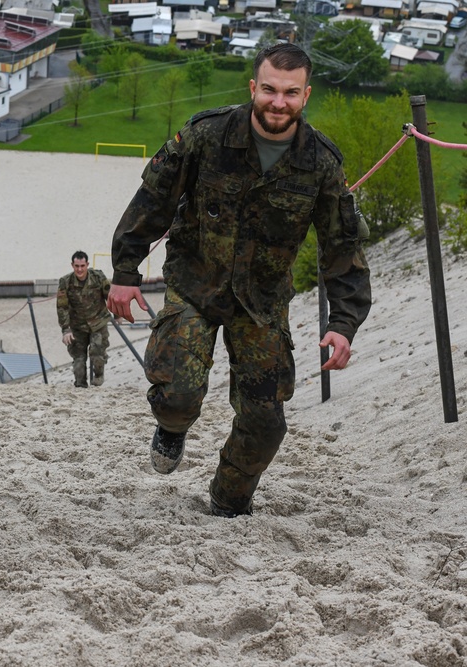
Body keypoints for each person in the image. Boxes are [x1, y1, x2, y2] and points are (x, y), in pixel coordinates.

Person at [107, 44, 372, 518]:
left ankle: (229, 499)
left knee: (266, 423)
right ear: (254, 87)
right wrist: (125, 272)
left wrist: (344, 322)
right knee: (177, 395)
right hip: (195, 285)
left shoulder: (321, 164)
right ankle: (172, 427)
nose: (278, 102)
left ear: (305, 95)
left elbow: (342, 248)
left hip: (262, 303)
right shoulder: (206, 136)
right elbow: (152, 200)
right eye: (269, 89)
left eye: (290, 93)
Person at [57, 250, 111, 388]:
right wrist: (66, 330)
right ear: (72, 265)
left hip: (97, 322)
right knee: (79, 363)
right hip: (77, 326)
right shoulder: (65, 282)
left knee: (97, 353)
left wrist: (118, 315)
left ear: (87, 264)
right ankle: (81, 387)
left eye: (82, 266)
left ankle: (98, 378)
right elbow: (62, 307)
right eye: (77, 266)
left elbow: (110, 297)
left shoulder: (98, 277)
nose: (79, 269)